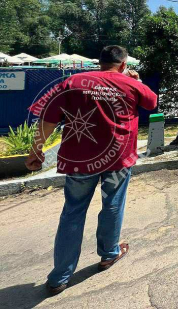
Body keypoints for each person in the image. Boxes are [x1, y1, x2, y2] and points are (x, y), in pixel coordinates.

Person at [25, 45, 158, 296]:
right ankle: (109, 254)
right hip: (117, 158)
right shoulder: (130, 83)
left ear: (100, 62)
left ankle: (60, 277)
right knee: (113, 205)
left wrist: (36, 150)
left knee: (73, 212)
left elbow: (49, 118)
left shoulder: (74, 82)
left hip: (79, 160)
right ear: (123, 64)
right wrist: (136, 80)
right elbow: (152, 102)